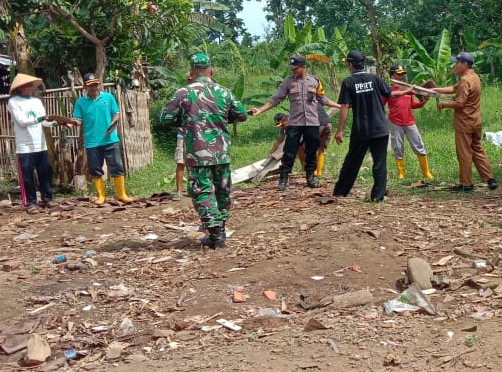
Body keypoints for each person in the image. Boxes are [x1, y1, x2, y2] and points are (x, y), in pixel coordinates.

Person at [159, 52, 247, 248]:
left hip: (197, 153)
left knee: (202, 191)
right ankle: (221, 228)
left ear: (191, 71)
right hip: (222, 152)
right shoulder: (224, 92)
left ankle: (215, 233)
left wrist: (185, 120)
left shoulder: (183, 93)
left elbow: (164, 118)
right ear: (211, 70)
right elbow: (241, 115)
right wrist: (222, 119)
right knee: (223, 191)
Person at [247, 55, 340, 190]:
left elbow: (323, 99)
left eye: (295, 68)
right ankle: (283, 179)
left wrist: (339, 105)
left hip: (312, 123)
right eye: (292, 69)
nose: (293, 71)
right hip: (295, 123)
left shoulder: (314, 81)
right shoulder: (288, 82)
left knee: (311, 150)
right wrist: (260, 110)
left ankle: (310, 177)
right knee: (289, 151)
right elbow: (275, 99)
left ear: (303, 67)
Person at [333, 50, 403, 202]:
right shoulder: (375, 79)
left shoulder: (348, 82)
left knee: (352, 161)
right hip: (380, 129)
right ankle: (378, 196)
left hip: (361, 130)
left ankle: (340, 192)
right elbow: (390, 93)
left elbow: (344, 106)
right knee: (380, 163)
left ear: (350, 65)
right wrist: (408, 91)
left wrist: (339, 130)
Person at [7, 73, 77, 211]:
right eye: (28, 86)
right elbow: (22, 121)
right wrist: (41, 119)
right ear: (20, 87)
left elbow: (44, 122)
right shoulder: (13, 102)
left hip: (40, 145)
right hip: (24, 147)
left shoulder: (36, 102)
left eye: (31, 85)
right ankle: (30, 203)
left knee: (46, 172)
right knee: (27, 177)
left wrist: (57, 123)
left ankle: (47, 199)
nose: (31, 88)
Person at [435, 51, 498, 192]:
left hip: (465, 123)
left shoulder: (465, 80)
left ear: (464, 64)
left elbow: (460, 103)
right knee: (477, 149)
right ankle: (490, 179)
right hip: (476, 121)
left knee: (464, 153)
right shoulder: (474, 77)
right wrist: (434, 89)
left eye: (457, 63)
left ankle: (466, 184)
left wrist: (443, 105)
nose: (455, 66)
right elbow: (453, 89)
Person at [72, 72, 133, 205]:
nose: (94, 88)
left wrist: (113, 122)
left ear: (99, 84)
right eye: (91, 85)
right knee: (95, 169)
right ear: (85, 87)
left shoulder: (108, 97)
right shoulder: (80, 102)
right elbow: (77, 119)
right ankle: (101, 196)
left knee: (117, 166)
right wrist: (72, 122)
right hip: (92, 142)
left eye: (96, 84)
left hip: (110, 139)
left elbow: (116, 113)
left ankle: (122, 194)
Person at [386, 64, 434, 180]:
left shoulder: (408, 89)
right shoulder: (389, 90)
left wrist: (423, 102)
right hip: (395, 122)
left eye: (402, 74)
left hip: (410, 122)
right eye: (399, 74)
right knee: (398, 147)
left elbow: (413, 105)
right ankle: (401, 173)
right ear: (392, 75)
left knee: (419, 145)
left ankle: (426, 172)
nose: (401, 76)